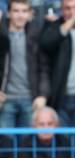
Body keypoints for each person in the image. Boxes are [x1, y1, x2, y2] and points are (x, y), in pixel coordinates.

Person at [0, 0, 49, 128]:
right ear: (8, 13)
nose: (20, 15)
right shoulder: (1, 36)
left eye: (24, 11)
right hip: (5, 99)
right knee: (6, 144)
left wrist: (42, 95)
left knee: (28, 144)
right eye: (16, 11)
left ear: (29, 14)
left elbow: (43, 68)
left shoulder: (36, 36)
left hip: (30, 99)